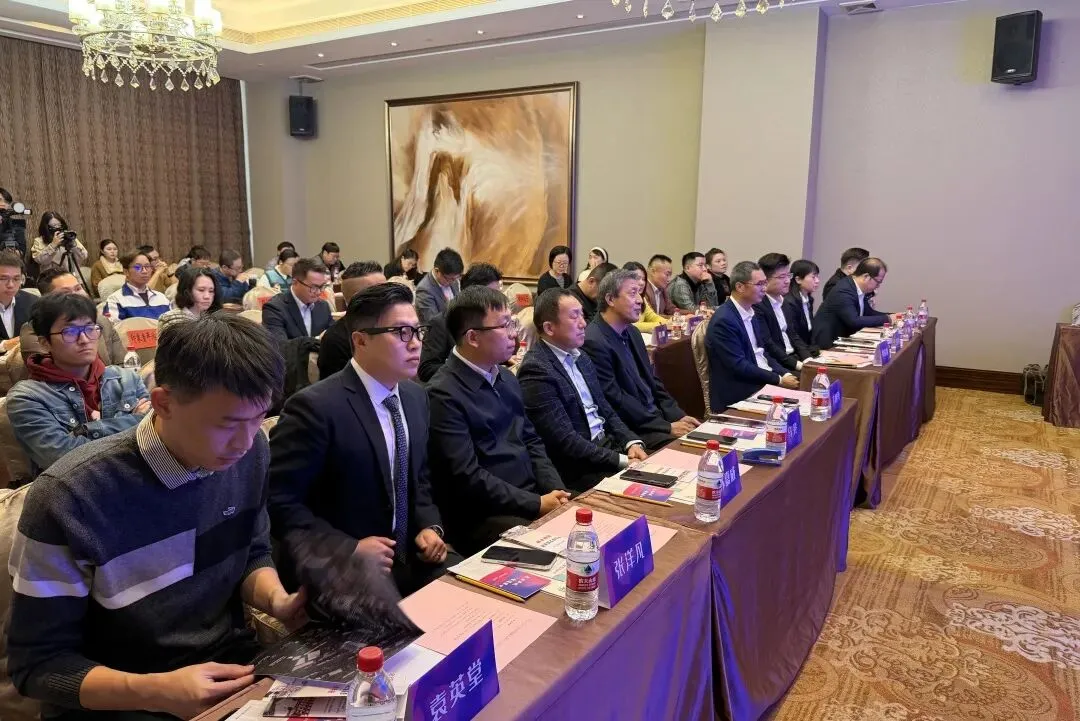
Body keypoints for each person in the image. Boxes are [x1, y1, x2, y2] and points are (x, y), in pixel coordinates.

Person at [7, 314, 305, 721]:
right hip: (123, 697)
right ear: (163, 403)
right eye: (229, 424)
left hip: (228, 672)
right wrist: (156, 691)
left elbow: (250, 551)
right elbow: (38, 667)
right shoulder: (70, 497)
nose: (246, 441)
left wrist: (278, 601)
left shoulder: (250, 453)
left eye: (258, 419)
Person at [270, 284, 455, 596]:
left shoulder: (414, 397)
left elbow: (418, 479)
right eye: (401, 332)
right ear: (361, 340)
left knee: (481, 600)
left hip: (410, 557)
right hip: (342, 569)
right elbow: (278, 501)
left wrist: (428, 525)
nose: (415, 344)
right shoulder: (315, 407)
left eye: (418, 331)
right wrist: (348, 548)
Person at [427, 286, 569, 554]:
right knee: (565, 552)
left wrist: (556, 490)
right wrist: (537, 504)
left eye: (512, 323)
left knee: (591, 527)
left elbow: (531, 440)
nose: (513, 334)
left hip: (531, 496)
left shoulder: (505, 377)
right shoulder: (443, 394)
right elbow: (468, 477)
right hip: (484, 514)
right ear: (473, 337)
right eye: (504, 325)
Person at [518, 289, 647, 492]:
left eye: (582, 314)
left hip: (608, 449)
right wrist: (622, 460)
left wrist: (630, 442)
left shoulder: (581, 357)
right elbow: (566, 441)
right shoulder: (536, 370)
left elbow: (606, 410)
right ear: (549, 328)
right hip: (579, 468)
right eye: (574, 316)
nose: (583, 323)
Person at [7, 293, 150, 474]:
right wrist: (134, 421)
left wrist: (85, 431)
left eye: (90, 329)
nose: (84, 339)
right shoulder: (27, 398)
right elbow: (65, 459)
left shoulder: (126, 378)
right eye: (70, 332)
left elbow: (157, 434)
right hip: (72, 488)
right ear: (44, 343)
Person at [582, 269, 698, 451]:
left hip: (655, 419)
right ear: (610, 299)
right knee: (691, 452)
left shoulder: (632, 332)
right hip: (634, 429)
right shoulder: (594, 341)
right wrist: (665, 427)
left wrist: (677, 415)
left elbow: (653, 381)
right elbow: (616, 399)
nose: (640, 301)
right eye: (632, 293)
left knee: (702, 438)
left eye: (640, 293)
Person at [706, 261, 801, 412]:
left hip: (760, 378)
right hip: (741, 389)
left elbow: (763, 353)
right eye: (759, 284)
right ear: (739, 287)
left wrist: (784, 373)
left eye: (765, 283)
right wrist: (778, 379)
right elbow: (738, 365)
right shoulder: (724, 320)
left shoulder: (751, 312)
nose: (764, 288)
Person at [417, 263, 502, 383]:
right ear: (473, 294)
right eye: (493, 295)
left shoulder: (491, 323)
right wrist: (467, 368)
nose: (498, 301)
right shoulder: (440, 322)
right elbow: (426, 369)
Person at [20, 268, 126, 365]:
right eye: (65, 292)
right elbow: (46, 371)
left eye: (78, 288)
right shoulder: (34, 330)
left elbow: (122, 364)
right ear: (47, 299)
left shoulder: (102, 321)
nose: (77, 296)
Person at [317, 261, 387, 380]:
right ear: (358, 298)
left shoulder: (395, 325)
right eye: (381, 292)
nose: (390, 295)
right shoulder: (335, 340)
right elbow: (335, 387)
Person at [812, 257, 891, 349]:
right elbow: (854, 321)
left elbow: (868, 312)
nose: (878, 286)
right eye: (878, 282)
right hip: (828, 343)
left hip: (842, 339)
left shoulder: (857, 287)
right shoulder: (844, 290)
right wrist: (887, 318)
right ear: (866, 277)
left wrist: (892, 316)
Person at [753, 253, 812, 373]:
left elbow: (793, 335)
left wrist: (808, 359)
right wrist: (798, 365)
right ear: (765, 280)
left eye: (788, 275)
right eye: (781, 277)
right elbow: (768, 344)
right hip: (778, 364)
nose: (787, 281)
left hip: (793, 358)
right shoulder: (758, 306)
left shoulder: (784, 302)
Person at [262, 259, 332, 342]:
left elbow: (333, 335)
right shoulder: (274, 308)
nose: (318, 292)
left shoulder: (323, 306)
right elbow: (280, 345)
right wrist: (317, 340)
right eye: (313, 287)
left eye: (321, 287)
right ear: (295, 282)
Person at [104, 251, 171, 321]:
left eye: (147, 266)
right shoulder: (115, 300)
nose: (144, 271)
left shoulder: (162, 298)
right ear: (126, 272)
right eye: (138, 267)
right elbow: (116, 327)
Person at [30, 211, 89, 276]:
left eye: (59, 225)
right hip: (51, 278)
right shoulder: (39, 241)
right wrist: (53, 245)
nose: (57, 228)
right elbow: (41, 261)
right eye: (54, 226)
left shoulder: (69, 237)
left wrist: (73, 244)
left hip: (71, 276)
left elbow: (84, 256)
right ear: (46, 227)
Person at [413, 247, 463, 324]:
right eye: (449, 278)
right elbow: (433, 322)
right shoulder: (424, 289)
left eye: (456, 278)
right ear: (437, 271)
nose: (452, 281)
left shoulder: (454, 280)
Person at [784, 259, 820, 354]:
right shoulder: (789, 302)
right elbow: (793, 335)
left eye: (817, 276)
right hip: (795, 352)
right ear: (798, 279)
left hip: (808, 349)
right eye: (813, 277)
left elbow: (810, 331)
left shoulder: (809, 300)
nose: (817, 281)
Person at [0, 252, 37, 346]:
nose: (10, 285)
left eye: (16, 279)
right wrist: (5, 345)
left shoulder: (32, 301)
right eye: (3, 279)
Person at [622, 261, 665, 333]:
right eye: (637, 278)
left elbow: (653, 317)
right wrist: (661, 325)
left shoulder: (642, 298)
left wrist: (670, 322)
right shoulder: (623, 298)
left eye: (643, 279)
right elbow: (631, 325)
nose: (642, 283)